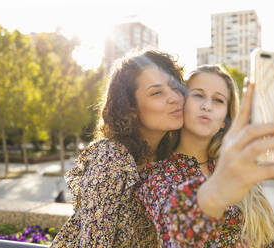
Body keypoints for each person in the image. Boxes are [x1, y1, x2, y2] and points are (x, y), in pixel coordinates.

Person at [136, 65, 274, 247]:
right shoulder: (157, 177)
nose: (207, 106)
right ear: (182, 105)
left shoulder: (237, 167)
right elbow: (175, 233)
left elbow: (271, 240)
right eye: (198, 95)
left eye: (218, 100)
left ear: (225, 121)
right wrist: (217, 193)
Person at [50, 49, 186, 247]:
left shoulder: (168, 159)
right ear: (131, 107)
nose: (174, 98)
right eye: (157, 92)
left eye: (176, 87)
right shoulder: (110, 158)